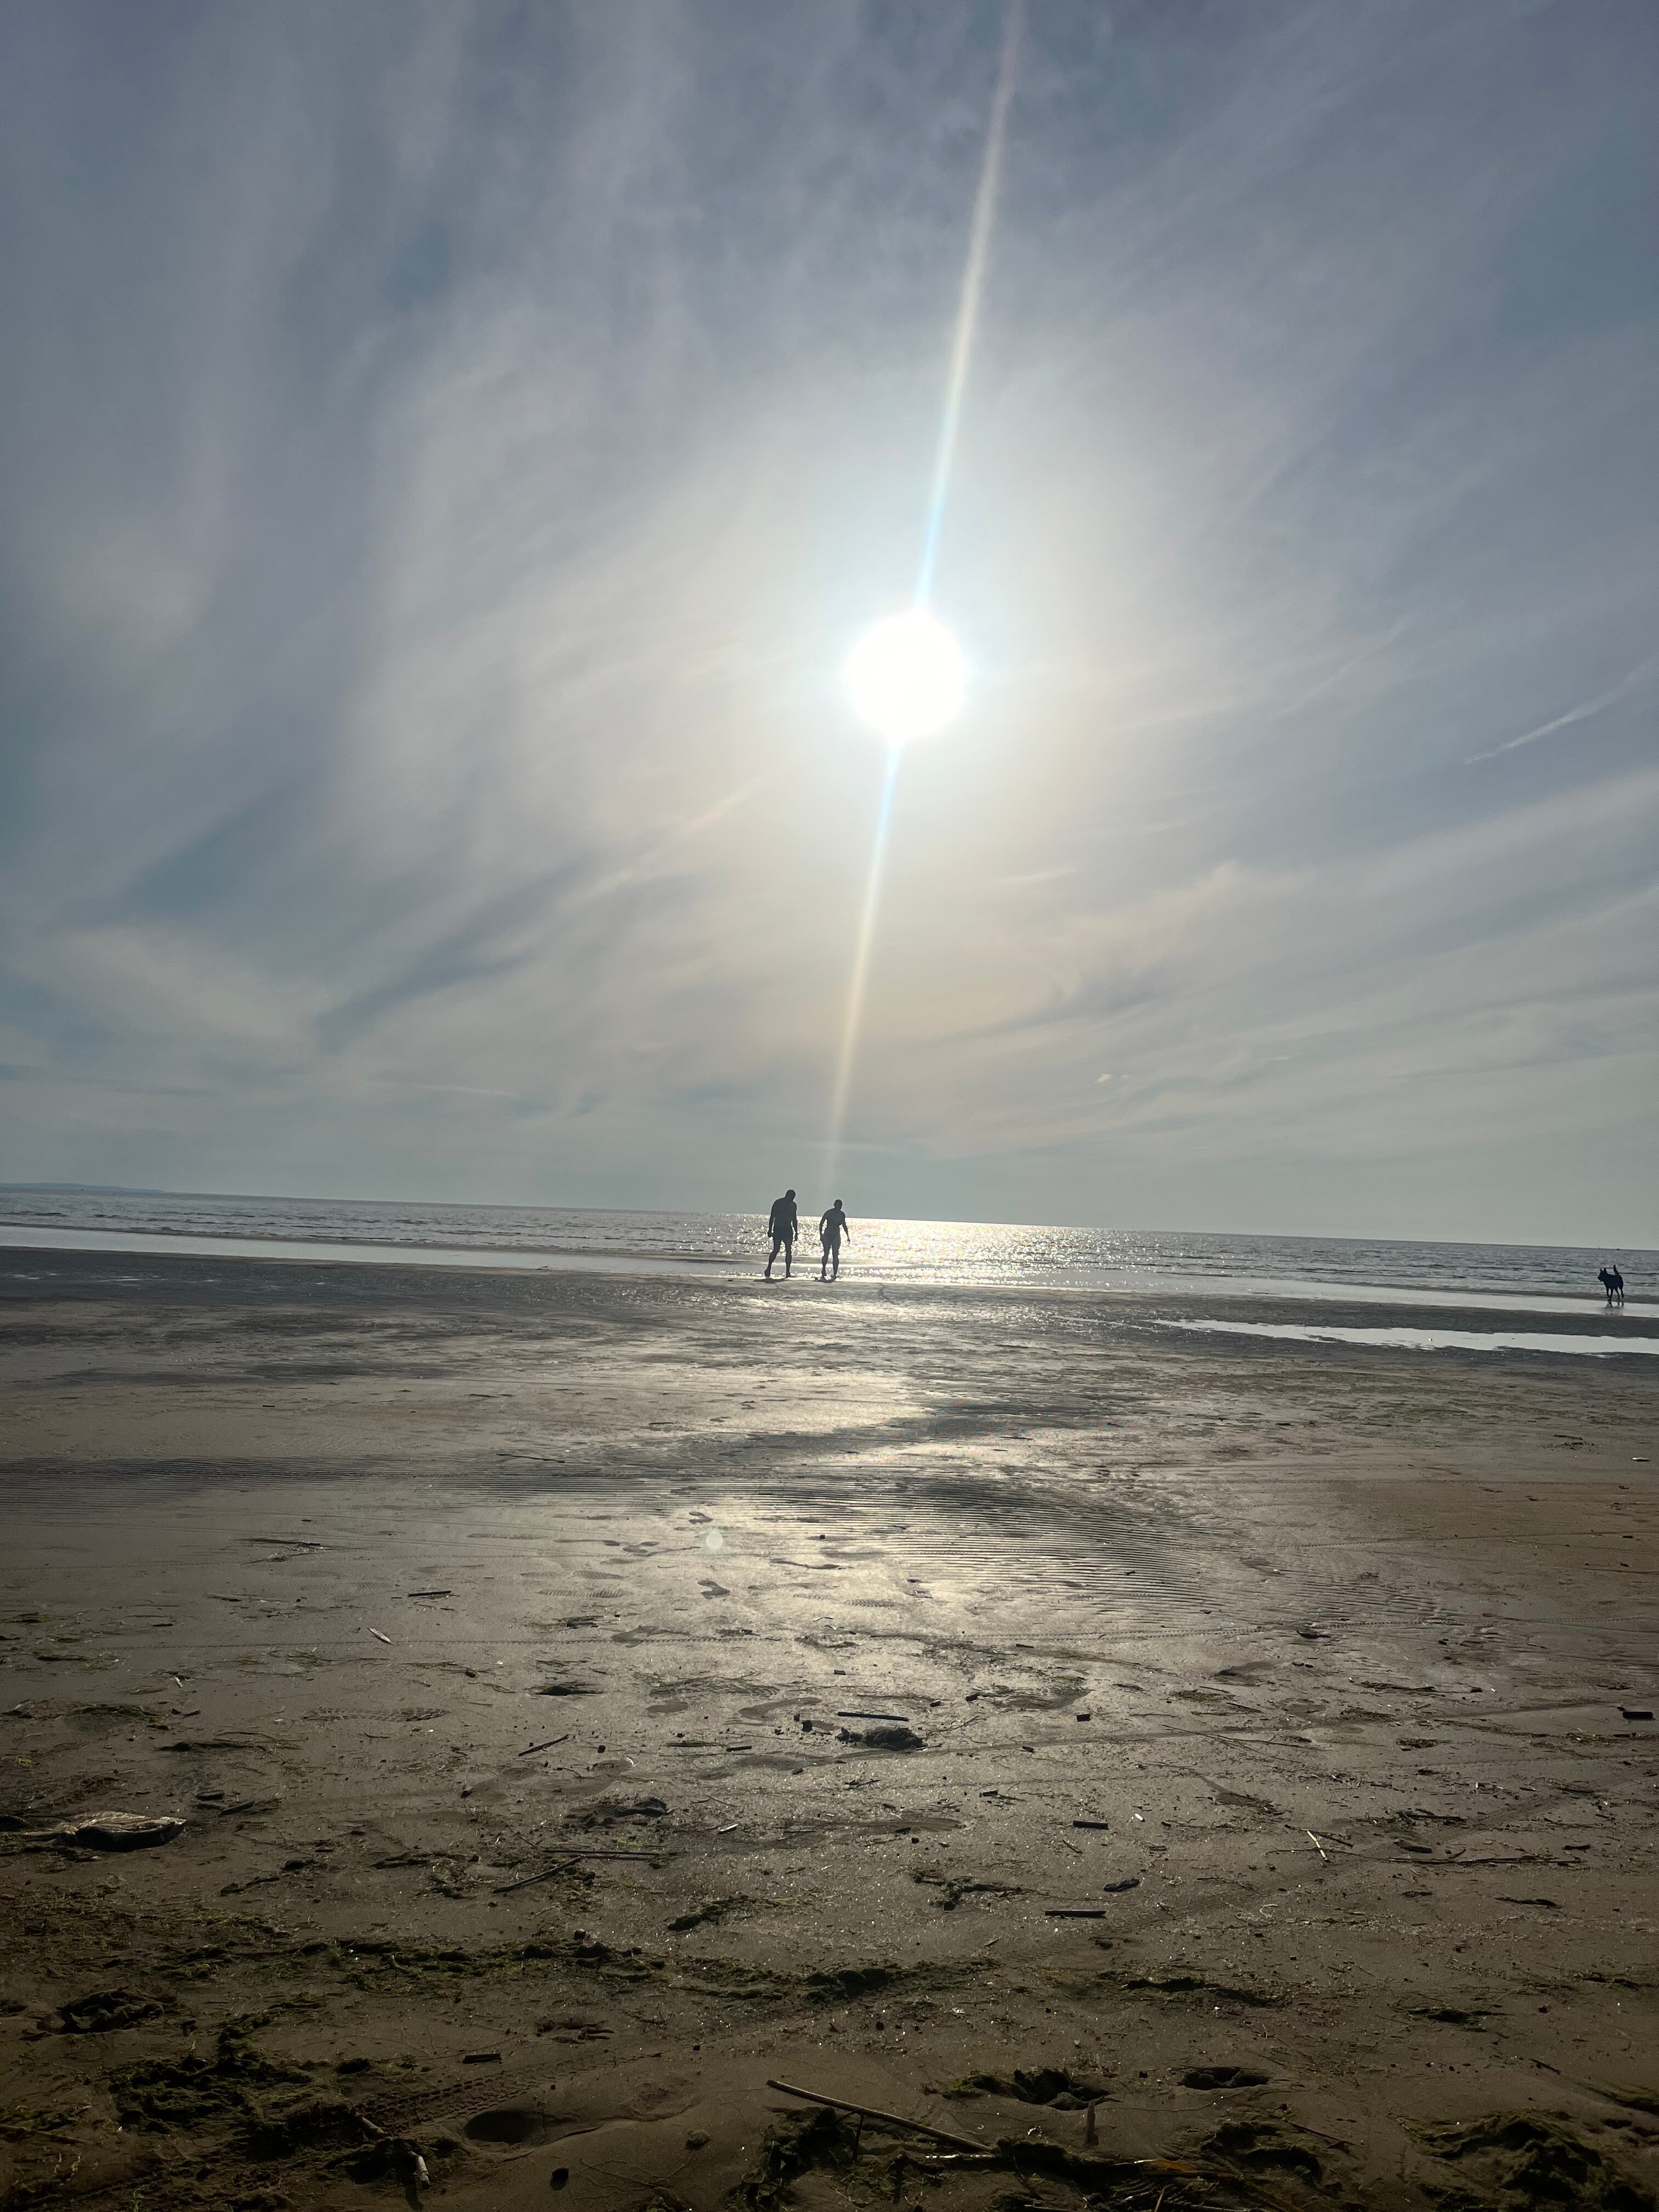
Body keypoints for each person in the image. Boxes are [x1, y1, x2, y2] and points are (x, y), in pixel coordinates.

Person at [764, 1189, 798, 1280]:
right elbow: (772, 1217)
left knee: (789, 1250)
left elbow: (794, 1219)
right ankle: (769, 1267)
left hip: (788, 1229)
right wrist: (770, 1229)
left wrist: (796, 1232)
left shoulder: (793, 1205)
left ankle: (788, 1271)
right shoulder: (778, 1203)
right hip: (779, 1228)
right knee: (776, 1250)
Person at [818, 1198, 850, 1282]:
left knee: (835, 1255)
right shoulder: (829, 1213)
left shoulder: (842, 1214)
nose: (839, 1207)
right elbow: (821, 1223)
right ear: (835, 1205)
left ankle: (835, 1273)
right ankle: (823, 1270)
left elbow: (844, 1225)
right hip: (828, 1234)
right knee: (826, 1253)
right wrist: (821, 1235)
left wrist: (848, 1236)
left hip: (836, 1235)